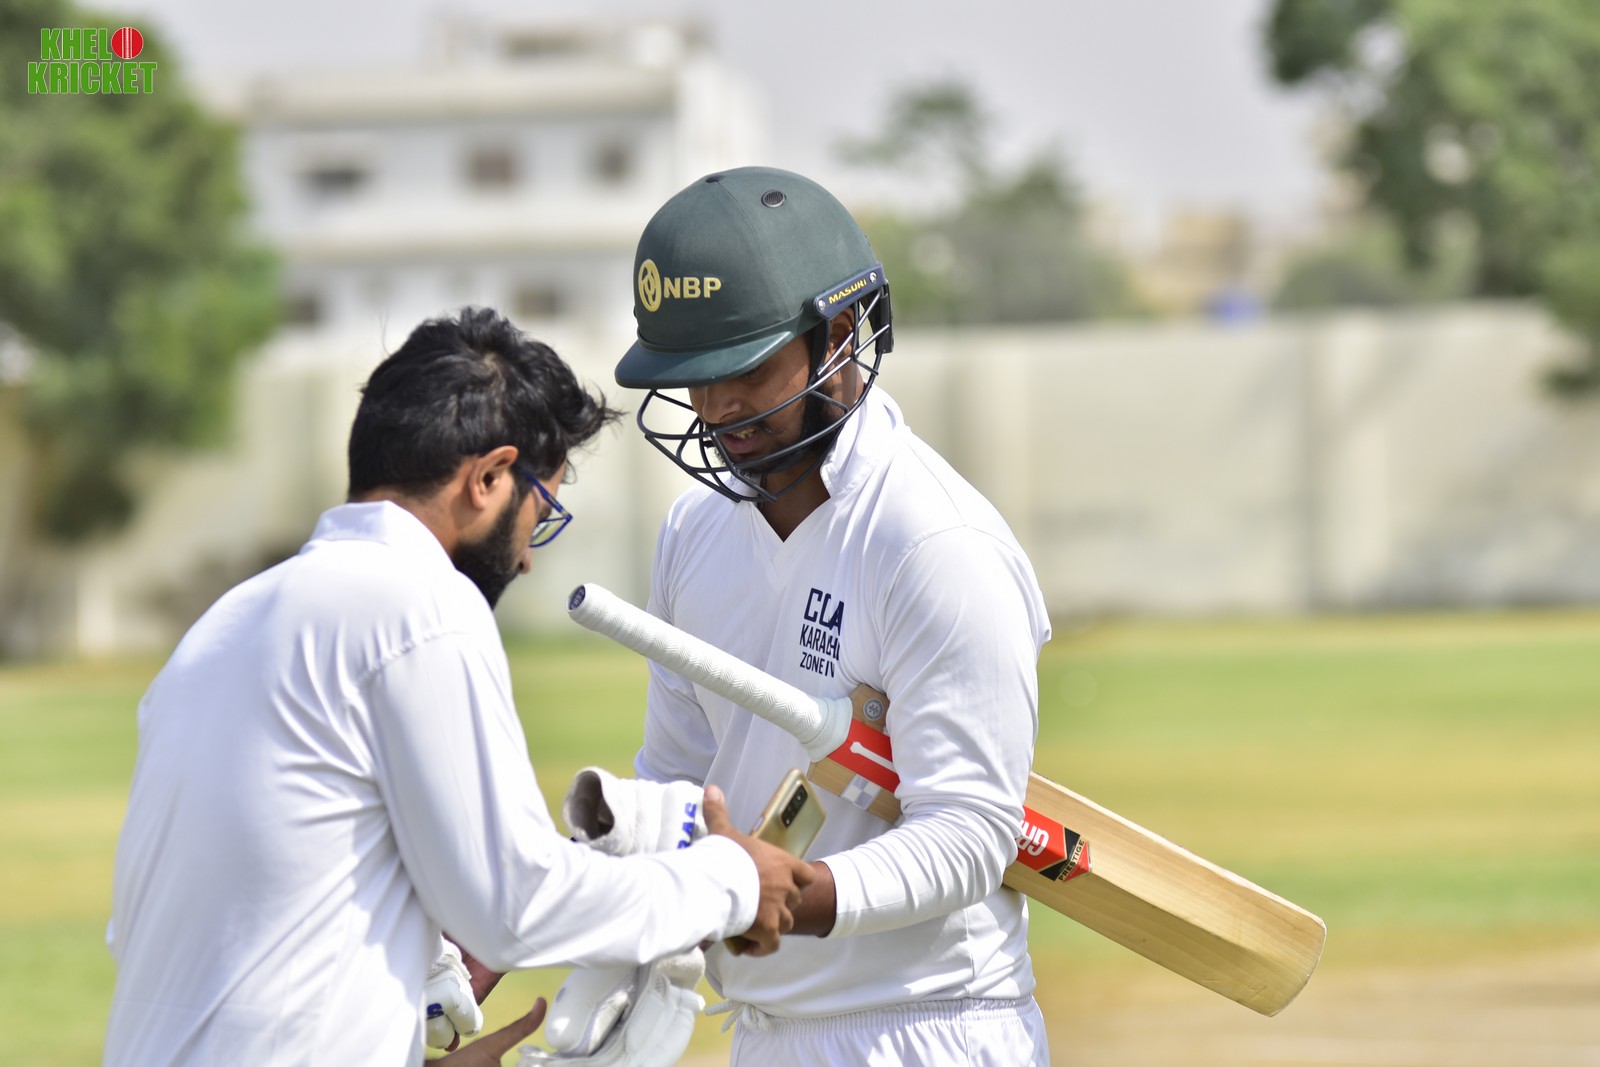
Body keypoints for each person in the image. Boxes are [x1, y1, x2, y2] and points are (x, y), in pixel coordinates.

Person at [103, 307, 813, 1067]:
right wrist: (730, 880)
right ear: (489, 478)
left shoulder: (220, 629)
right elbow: (515, 903)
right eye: (540, 515)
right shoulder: (419, 605)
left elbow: (214, 928)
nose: (527, 558)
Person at [613, 167, 1053, 1065]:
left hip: (927, 1029)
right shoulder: (693, 532)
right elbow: (678, 783)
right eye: (695, 376)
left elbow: (971, 834)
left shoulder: (934, 542)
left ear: (842, 334)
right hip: (763, 1031)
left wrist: (791, 892)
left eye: (744, 366)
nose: (717, 407)